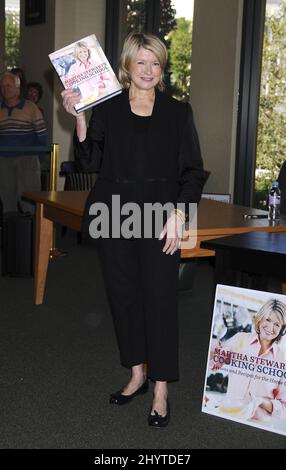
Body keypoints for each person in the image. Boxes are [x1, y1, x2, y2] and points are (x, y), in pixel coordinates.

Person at [61, 32, 205, 428]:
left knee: (159, 301)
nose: (148, 70)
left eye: (155, 63)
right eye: (140, 62)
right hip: (114, 213)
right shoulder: (107, 109)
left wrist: (179, 214)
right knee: (124, 298)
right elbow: (89, 161)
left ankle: (161, 387)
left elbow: (192, 171)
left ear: (162, 68)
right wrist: (79, 114)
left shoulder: (179, 112)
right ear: (126, 66)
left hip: (164, 217)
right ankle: (137, 374)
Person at [210, 298, 286, 422]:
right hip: (230, 415)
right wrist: (213, 350)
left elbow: (284, 407)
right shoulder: (240, 339)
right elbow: (213, 364)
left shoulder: (282, 359)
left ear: (282, 329)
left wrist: (262, 402)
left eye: (277, 324)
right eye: (268, 319)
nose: (270, 327)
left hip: (259, 424)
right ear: (260, 318)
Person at [0, 72, 48, 213]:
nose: (5, 89)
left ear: (18, 88)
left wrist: (40, 159)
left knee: (29, 201)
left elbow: (42, 135)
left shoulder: (31, 107)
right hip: (4, 161)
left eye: (9, 86)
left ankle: (35, 233)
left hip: (28, 160)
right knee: (6, 201)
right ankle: (10, 234)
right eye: (2, 86)